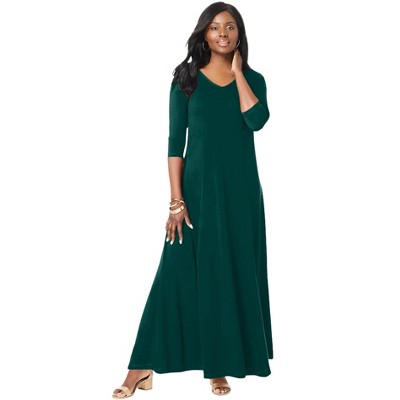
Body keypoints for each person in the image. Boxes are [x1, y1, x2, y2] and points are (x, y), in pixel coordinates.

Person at [112, 2, 273, 397]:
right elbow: (175, 144)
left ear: (239, 33)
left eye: (230, 27)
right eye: (215, 27)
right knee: (173, 274)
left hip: (240, 196)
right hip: (196, 194)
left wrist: (238, 73)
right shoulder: (186, 79)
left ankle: (219, 368)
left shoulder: (254, 79)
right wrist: (176, 201)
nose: (223, 33)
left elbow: (256, 120)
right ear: (204, 33)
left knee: (228, 275)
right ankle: (139, 369)